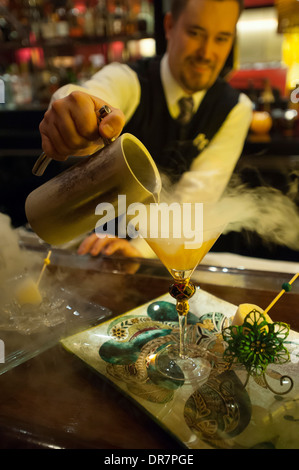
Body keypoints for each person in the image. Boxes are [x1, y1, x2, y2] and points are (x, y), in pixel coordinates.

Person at [39, 0, 252, 258]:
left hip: (158, 252)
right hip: (79, 244)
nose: (207, 53)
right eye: (195, 33)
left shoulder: (234, 108)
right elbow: (93, 92)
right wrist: (74, 108)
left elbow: (197, 197)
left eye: (221, 38)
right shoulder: (130, 79)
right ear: (170, 26)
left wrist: (138, 250)